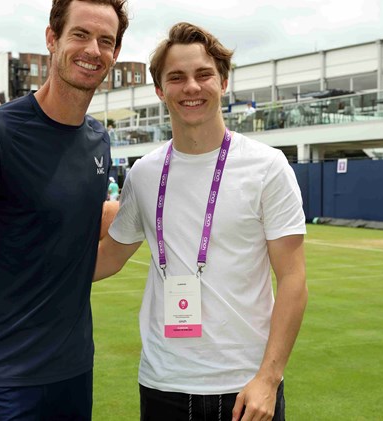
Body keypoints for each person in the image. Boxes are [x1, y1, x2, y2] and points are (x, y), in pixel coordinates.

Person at [0, 1, 129, 420]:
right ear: (52, 39)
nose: (93, 49)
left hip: (73, 376)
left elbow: (76, 249)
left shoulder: (98, 140)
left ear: (115, 55)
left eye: (106, 41)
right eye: (80, 35)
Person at [94, 22, 307, 421]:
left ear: (223, 82)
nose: (191, 87)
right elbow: (109, 257)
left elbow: (293, 280)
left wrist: (269, 378)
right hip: (163, 384)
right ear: (160, 90)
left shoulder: (268, 167)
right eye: (176, 78)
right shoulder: (143, 173)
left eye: (203, 74)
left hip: (246, 388)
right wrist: (23, 263)